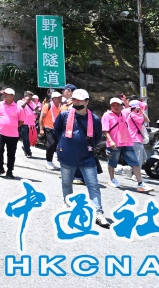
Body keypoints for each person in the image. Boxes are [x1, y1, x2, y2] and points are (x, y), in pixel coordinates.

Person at [53, 89, 110, 228]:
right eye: (74, 99)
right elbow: (57, 131)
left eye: (79, 100)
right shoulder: (65, 115)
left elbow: (97, 137)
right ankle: (68, 204)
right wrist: (65, 144)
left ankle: (98, 212)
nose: (76, 102)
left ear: (87, 101)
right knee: (67, 183)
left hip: (87, 156)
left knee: (93, 185)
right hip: (67, 155)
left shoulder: (94, 119)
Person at [102, 98, 153, 193]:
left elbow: (136, 106)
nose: (115, 107)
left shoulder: (125, 113)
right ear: (110, 106)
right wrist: (111, 141)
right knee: (112, 162)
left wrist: (129, 102)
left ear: (121, 106)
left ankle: (140, 183)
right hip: (114, 143)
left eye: (117, 105)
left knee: (135, 162)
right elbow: (105, 130)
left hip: (127, 142)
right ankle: (112, 179)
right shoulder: (107, 115)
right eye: (113, 105)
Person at [0, 88, 23, 179]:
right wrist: (1, 124)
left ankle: (9, 171)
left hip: (13, 134)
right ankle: (0, 168)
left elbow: (21, 121)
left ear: (12, 96)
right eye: (3, 93)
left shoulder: (19, 108)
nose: (4, 95)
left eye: (6, 94)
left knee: (11, 153)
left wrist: (12, 126)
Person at [39, 91, 63, 170]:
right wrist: (41, 129)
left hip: (56, 128)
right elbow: (41, 117)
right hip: (48, 128)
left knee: (55, 145)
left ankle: (50, 161)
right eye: (58, 98)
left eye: (60, 97)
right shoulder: (47, 106)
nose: (60, 99)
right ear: (53, 99)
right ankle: (48, 162)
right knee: (51, 144)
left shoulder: (60, 106)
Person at [123, 98, 150, 169]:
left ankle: (130, 170)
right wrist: (142, 111)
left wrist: (140, 111)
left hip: (136, 139)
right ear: (136, 107)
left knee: (144, 157)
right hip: (135, 139)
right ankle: (136, 173)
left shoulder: (134, 114)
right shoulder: (133, 115)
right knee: (139, 158)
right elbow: (147, 120)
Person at [18, 91, 37, 158]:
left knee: (31, 138)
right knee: (25, 138)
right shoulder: (20, 102)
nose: (30, 97)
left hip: (32, 123)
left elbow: (35, 111)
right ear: (25, 96)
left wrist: (36, 111)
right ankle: (28, 151)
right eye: (29, 96)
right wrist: (26, 102)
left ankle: (25, 147)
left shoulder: (32, 103)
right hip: (24, 123)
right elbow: (20, 109)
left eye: (31, 96)